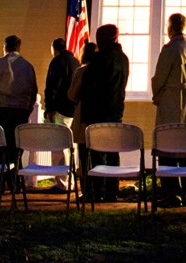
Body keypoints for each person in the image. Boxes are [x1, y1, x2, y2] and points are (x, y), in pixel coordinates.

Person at [151, 13, 186, 207]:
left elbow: (160, 77)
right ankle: (184, 191)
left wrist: (157, 95)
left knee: (168, 145)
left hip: (172, 100)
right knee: (185, 148)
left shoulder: (170, 49)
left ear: (171, 27)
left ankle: (170, 193)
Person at [0, 35, 39, 193]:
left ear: (5, 46)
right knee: (15, 149)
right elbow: (33, 91)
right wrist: (27, 109)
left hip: (1, 111)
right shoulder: (27, 66)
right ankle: (15, 183)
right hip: (19, 112)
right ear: (19, 47)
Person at [79, 24, 129, 201]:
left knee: (97, 153)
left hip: (98, 111)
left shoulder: (100, 59)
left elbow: (88, 86)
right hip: (116, 110)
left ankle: (97, 190)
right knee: (113, 152)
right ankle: (111, 190)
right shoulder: (123, 59)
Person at [44, 37, 79, 193]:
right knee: (71, 147)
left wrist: (50, 108)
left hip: (60, 110)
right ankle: (71, 180)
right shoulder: (75, 62)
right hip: (74, 110)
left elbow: (52, 86)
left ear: (54, 48)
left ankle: (62, 183)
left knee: (59, 147)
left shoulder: (57, 62)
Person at [68, 41, 97, 194]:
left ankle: (87, 189)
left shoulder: (82, 71)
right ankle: (99, 187)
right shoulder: (103, 71)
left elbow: (72, 95)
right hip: (98, 116)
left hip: (83, 115)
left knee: (84, 155)